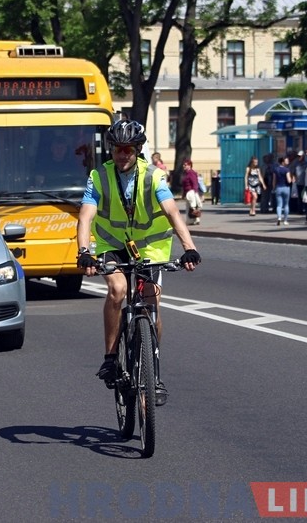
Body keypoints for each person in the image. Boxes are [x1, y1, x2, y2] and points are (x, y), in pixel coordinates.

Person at [76, 120, 201, 406]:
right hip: (112, 244)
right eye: (118, 149)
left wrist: (189, 248)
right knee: (118, 290)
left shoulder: (154, 176)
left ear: (138, 150)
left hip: (149, 246)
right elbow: (85, 216)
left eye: (128, 150)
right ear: (111, 149)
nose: (122, 154)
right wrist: (84, 251)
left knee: (151, 302)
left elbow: (172, 212)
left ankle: (152, 372)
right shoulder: (99, 176)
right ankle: (110, 358)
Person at [272, 155, 294, 226]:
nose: (288, 161)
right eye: (286, 160)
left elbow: (274, 180)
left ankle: (279, 217)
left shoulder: (276, 169)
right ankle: (285, 220)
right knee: (286, 205)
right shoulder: (286, 170)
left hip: (278, 187)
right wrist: (292, 179)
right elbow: (289, 180)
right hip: (286, 188)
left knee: (279, 205)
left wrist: (273, 187)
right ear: (282, 162)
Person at [180, 158, 202, 225]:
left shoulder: (191, 173)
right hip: (188, 192)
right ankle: (193, 220)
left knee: (192, 206)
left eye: (185, 165)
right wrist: (183, 194)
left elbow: (194, 183)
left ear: (189, 165)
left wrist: (195, 192)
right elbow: (184, 185)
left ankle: (194, 220)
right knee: (190, 207)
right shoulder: (186, 173)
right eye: (183, 165)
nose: (184, 166)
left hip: (191, 192)